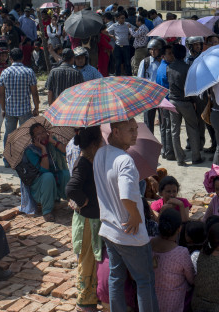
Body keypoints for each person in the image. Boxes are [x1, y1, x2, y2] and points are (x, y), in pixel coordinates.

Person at [94, 118, 159, 312]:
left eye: (135, 129)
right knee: (144, 280)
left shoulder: (100, 153)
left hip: (109, 229)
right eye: (130, 130)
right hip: (130, 233)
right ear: (115, 132)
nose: (135, 134)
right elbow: (126, 195)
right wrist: (135, 216)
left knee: (116, 277)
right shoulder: (125, 160)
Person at [65, 126, 105, 311]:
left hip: (93, 219)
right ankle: (84, 300)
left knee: (93, 258)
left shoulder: (91, 160)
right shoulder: (82, 163)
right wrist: (84, 201)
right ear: (95, 144)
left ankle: (92, 294)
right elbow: (71, 189)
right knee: (87, 260)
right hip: (88, 221)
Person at [167, 44, 204, 166]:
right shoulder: (188, 68)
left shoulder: (169, 67)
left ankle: (180, 158)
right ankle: (195, 156)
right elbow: (191, 88)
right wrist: (195, 101)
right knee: (192, 128)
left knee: (175, 130)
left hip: (173, 100)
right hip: (186, 101)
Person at [151, 209, 194, 312]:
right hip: (173, 302)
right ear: (179, 229)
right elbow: (191, 279)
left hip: (150, 298)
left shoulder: (147, 243)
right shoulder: (181, 252)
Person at [0, 48, 40, 158]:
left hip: (9, 110)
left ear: (10, 58)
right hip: (25, 110)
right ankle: (25, 159)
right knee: (26, 135)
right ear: (22, 58)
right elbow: (34, 93)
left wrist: (3, 109)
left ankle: (8, 159)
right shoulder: (29, 72)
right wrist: (36, 107)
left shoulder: (4, 72)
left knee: (9, 135)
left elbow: (2, 94)